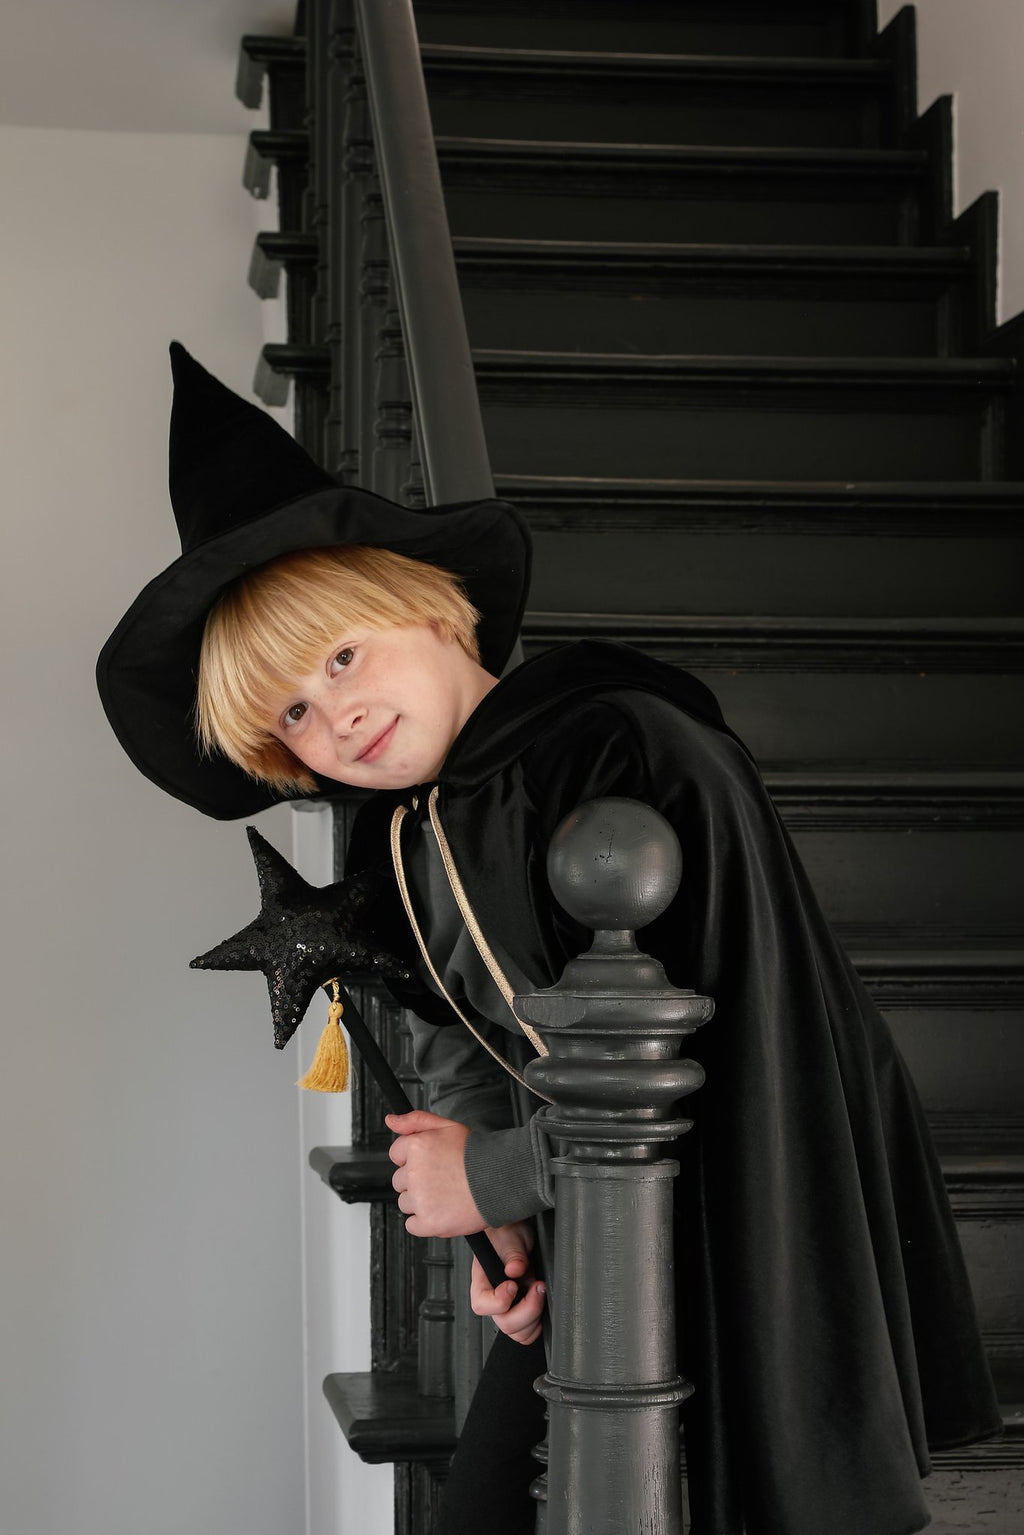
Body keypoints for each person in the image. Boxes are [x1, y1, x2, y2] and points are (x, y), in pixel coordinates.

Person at [98, 346, 1001, 1535]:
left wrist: (504, 1169)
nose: (336, 714)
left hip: (734, 1199)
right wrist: (502, 1197)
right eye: (293, 715)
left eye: (341, 654)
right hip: (607, 1211)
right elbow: (458, 1015)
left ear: (425, 600)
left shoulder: (618, 747)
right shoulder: (408, 831)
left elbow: (717, 1028)